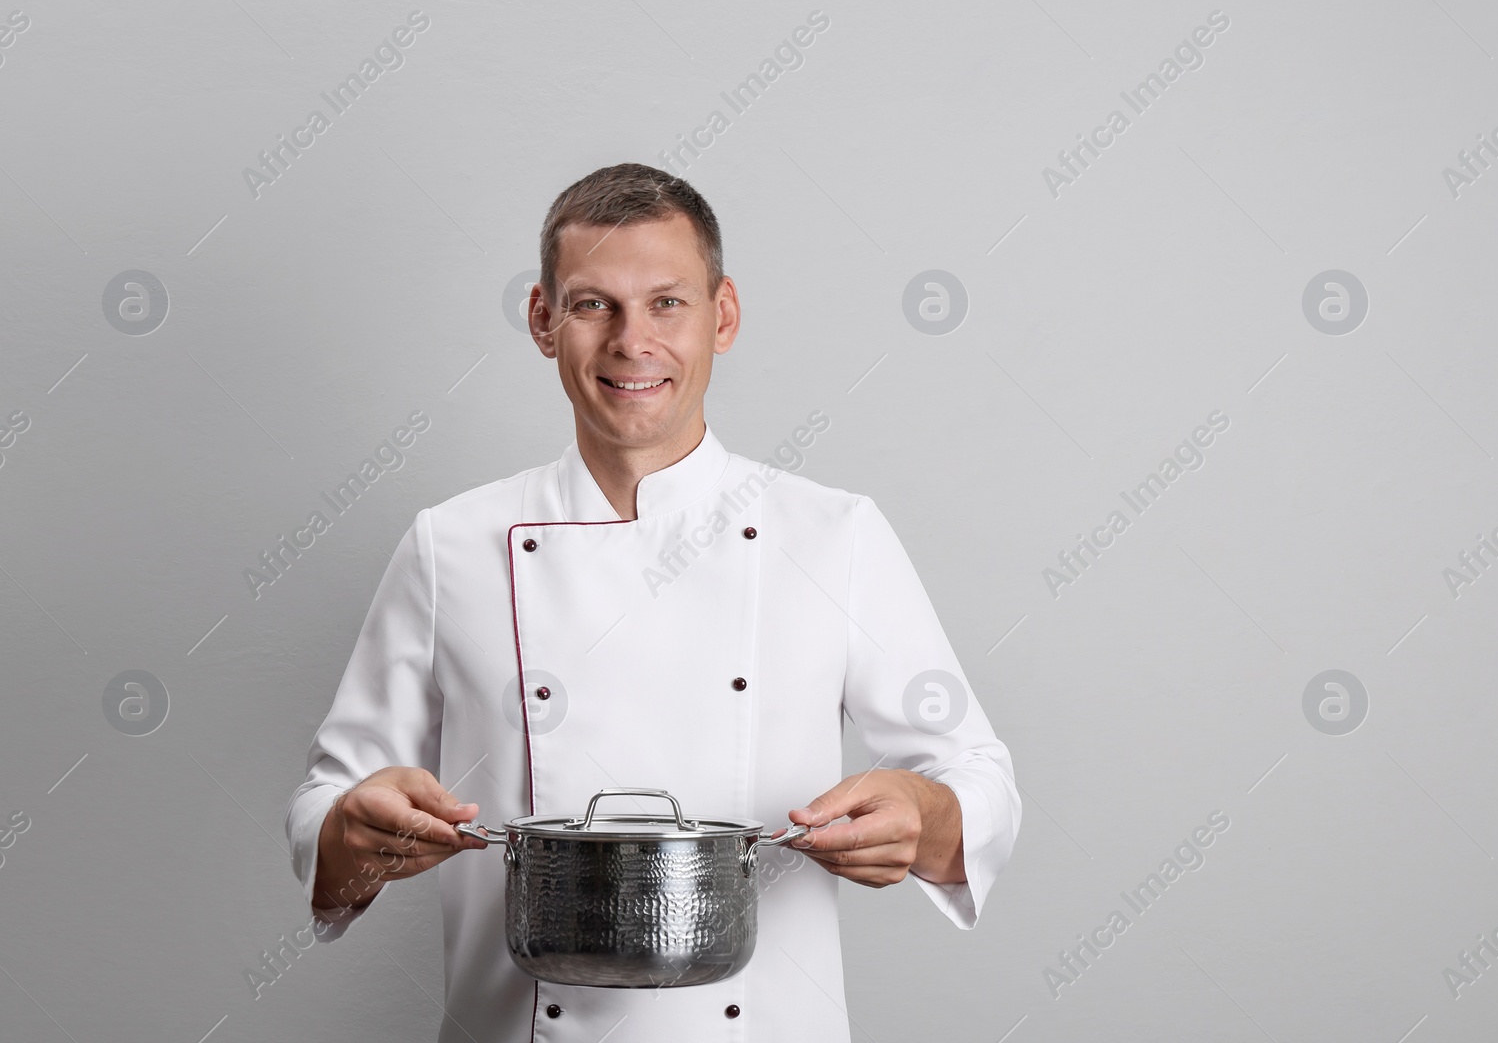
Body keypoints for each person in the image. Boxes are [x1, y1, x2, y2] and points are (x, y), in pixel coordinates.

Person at [284, 162, 1022, 1041]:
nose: (634, 341)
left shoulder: (834, 534)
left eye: (667, 302)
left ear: (724, 316)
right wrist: (349, 836)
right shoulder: (453, 543)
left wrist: (929, 818)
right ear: (542, 321)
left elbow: (977, 776)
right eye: (595, 303)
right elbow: (329, 801)